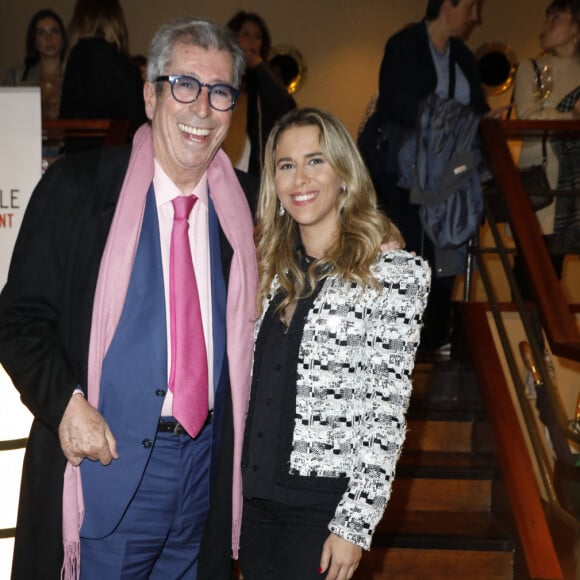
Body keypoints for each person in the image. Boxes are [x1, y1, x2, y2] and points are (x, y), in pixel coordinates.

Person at [0, 17, 258, 580]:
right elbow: (18, 319)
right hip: (104, 473)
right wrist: (65, 403)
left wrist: (378, 234)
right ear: (150, 93)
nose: (202, 109)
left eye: (220, 93)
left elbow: (327, 219)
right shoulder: (76, 189)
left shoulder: (249, 211)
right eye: (185, 85)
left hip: (205, 477)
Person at [238, 107, 431, 580]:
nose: (299, 178)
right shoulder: (266, 270)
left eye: (315, 161)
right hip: (254, 504)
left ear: (344, 174)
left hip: (322, 513)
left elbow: (386, 411)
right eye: (286, 165)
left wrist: (355, 523)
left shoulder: (393, 275)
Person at [371, 0, 490, 359]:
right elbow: (395, 101)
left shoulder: (463, 55)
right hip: (404, 175)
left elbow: (480, 111)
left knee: (446, 256)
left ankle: (433, 340)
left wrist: (468, 122)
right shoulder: (404, 44)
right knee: (412, 254)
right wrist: (455, 120)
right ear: (447, 5)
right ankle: (401, 344)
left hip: (449, 178)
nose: (475, 17)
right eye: (470, 6)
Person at [513, 0, 580, 289]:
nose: (544, 27)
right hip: (539, 183)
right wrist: (572, 115)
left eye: (555, 19)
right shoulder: (532, 68)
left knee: (555, 272)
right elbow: (527, 115)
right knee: (529, 273)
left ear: (576, 26)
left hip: (573, 186)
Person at [59, 0, 146, 145]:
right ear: (115, 21)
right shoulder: (115, 60)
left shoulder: (74, 58)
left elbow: (66, 116)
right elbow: (138, 117)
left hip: (77, 157)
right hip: (111, 158)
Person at [225, 10, 296, 178]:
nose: (253, 41)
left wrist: (260, 67)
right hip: (224, 166)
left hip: (256, 171)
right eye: (246, 34)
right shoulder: (222, 75)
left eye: (258, 37)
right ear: (233, 38)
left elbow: (288, 111)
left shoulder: (266, 76)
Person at [2, 9, 66, 119]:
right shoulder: (16, 77)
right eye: (41, 33)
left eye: (54, 31)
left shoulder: (76, 76)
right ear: (34, 41)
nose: (48, 39)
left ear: (63, 38)